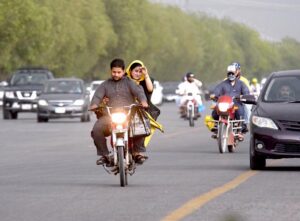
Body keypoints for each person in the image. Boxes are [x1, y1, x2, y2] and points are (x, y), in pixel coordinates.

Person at [90, 58, 148, 166]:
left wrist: (143, 101)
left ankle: (137, 152)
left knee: (140, 124)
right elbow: (97, 96)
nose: (116, 74)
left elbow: (139, 92)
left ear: (123, 71)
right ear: (110, 71)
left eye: (118, 72)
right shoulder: (105, 84)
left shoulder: (129, 82)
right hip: (110, 116)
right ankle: (105, 155)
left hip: (129, 115)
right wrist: (94, 105)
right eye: (114, 72)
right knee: (96, 129)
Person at [125, 60, 163, 163]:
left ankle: (138, 153)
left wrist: (146, 75)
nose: (138, 73)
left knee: (140, 126)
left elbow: (150, 90)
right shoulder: (123, 80)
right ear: (130, 71)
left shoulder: (145, 80)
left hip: (140, 110)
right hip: (124, 109)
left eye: (140, 71)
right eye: (135, 71)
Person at [211, 64, 250, 135]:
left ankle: (240, 130)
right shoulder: (223, 84)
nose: (231, 75)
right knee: (215, 111)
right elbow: (217, 90)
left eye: (232, 73)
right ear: (227, 74)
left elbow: (246, 92)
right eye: (229, 73)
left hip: (236, 103)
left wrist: (243, 96)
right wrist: (214, 95)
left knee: (240, 111)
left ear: (236, 73)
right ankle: (216, 125)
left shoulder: (241, 83)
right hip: (225, 103)